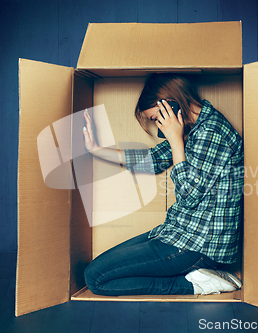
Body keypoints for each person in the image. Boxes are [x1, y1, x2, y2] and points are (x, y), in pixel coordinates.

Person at [82, 73, 244, 296]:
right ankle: (197, 274)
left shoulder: (211, 132)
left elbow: (189, 197)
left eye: (156, 118)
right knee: (96, 269)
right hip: (178, 233)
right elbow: (152, 160)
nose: (158, 125)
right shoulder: (193, 128)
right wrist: (97, 150)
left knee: (95, 279)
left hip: (198, 246)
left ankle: (195, 284)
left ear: (171, 105)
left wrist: (175, 140)